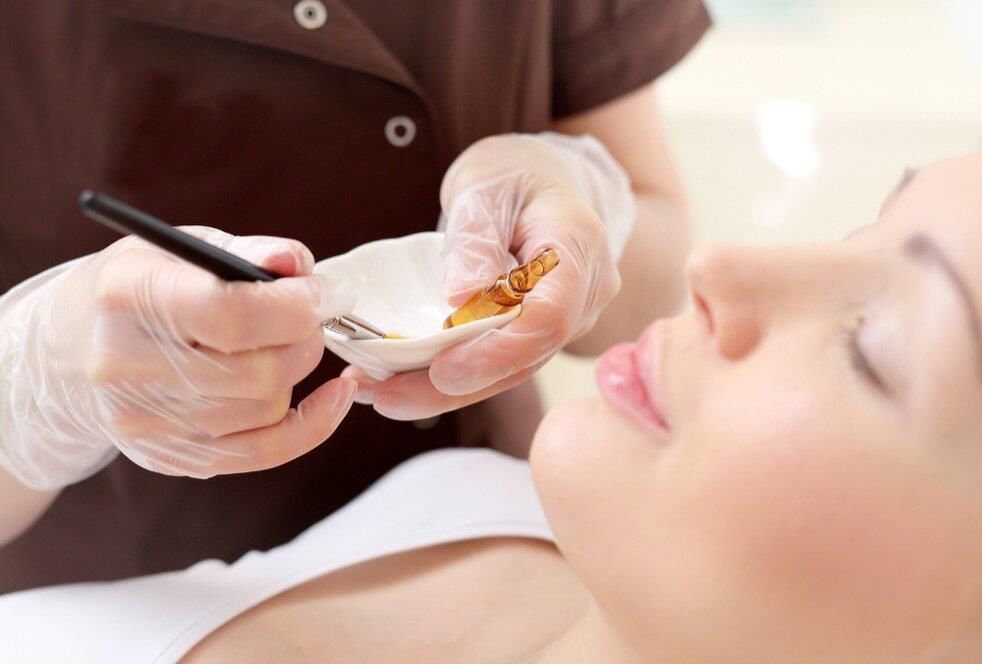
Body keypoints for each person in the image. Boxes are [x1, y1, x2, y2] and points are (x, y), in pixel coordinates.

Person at [4, 150, 982, 663]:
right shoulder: (464, 494)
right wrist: (32, 384)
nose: (716, 267)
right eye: (855, 228)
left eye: (873, 347)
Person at [0, 1, 710, 592]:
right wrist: (39, 378)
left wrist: (580, 194)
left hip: (500, 544)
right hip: (130, 601)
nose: (731, 282)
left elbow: (653, 268)